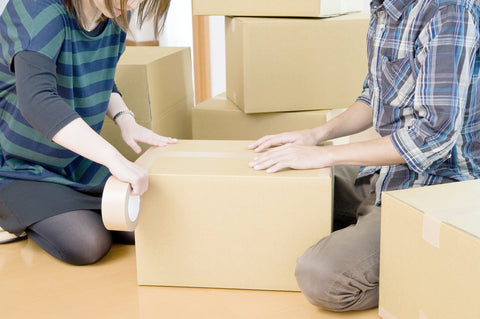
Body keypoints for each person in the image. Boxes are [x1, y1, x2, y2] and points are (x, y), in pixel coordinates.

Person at [248, 0, 480, 312]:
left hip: (433, 189)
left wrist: (327, 157)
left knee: (321, 277)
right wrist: (316, 136)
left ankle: (445, 271)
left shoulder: (448, 12)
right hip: (387, 172)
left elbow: (431, 137)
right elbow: (374, 95)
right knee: (283, 182)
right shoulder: (384, 8)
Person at [0, 0, 176, 265]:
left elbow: (98, 77)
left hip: (74, 156)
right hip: (16, 165)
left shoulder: (113, 14)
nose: (135, 4)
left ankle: (42, 210)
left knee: (144, 221)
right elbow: (36, 100)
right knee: (87, 242)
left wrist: (125, 119)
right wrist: (113, 158)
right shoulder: (38, 9)